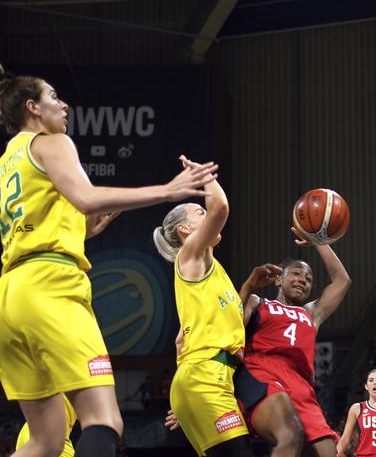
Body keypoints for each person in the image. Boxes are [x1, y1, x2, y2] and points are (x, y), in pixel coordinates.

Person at [0, 68, 216, 457]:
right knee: (104, 419)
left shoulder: (7, 160)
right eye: (53, 96)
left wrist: (84, 231)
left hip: (11, 294)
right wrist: (165, 191)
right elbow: (86, 197)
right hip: (52, 285)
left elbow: (43, 222)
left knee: (44, 441)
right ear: (33, 107)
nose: (64, 105)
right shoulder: (52, 142)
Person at [153, 158, 255, 457]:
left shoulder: (210, 269)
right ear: (185, 229)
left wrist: (249, 286)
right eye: (200, 211)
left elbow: (180, 341)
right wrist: (205, 176)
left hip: (206, 379)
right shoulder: (189, 256)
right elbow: (221, 207)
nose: (207, 213)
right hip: (205, 379)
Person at [236, 232, 352, 457]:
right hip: (263, 372)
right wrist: (248, 286)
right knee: (290, 436)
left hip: (301, 384)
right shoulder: (258, 302)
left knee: (332, 453)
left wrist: (320, 242)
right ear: (279, 279)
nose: (303, 280)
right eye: (296, 274)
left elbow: (342, 281)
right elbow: (230, 329)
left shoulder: (311, 313)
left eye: (308, 278)